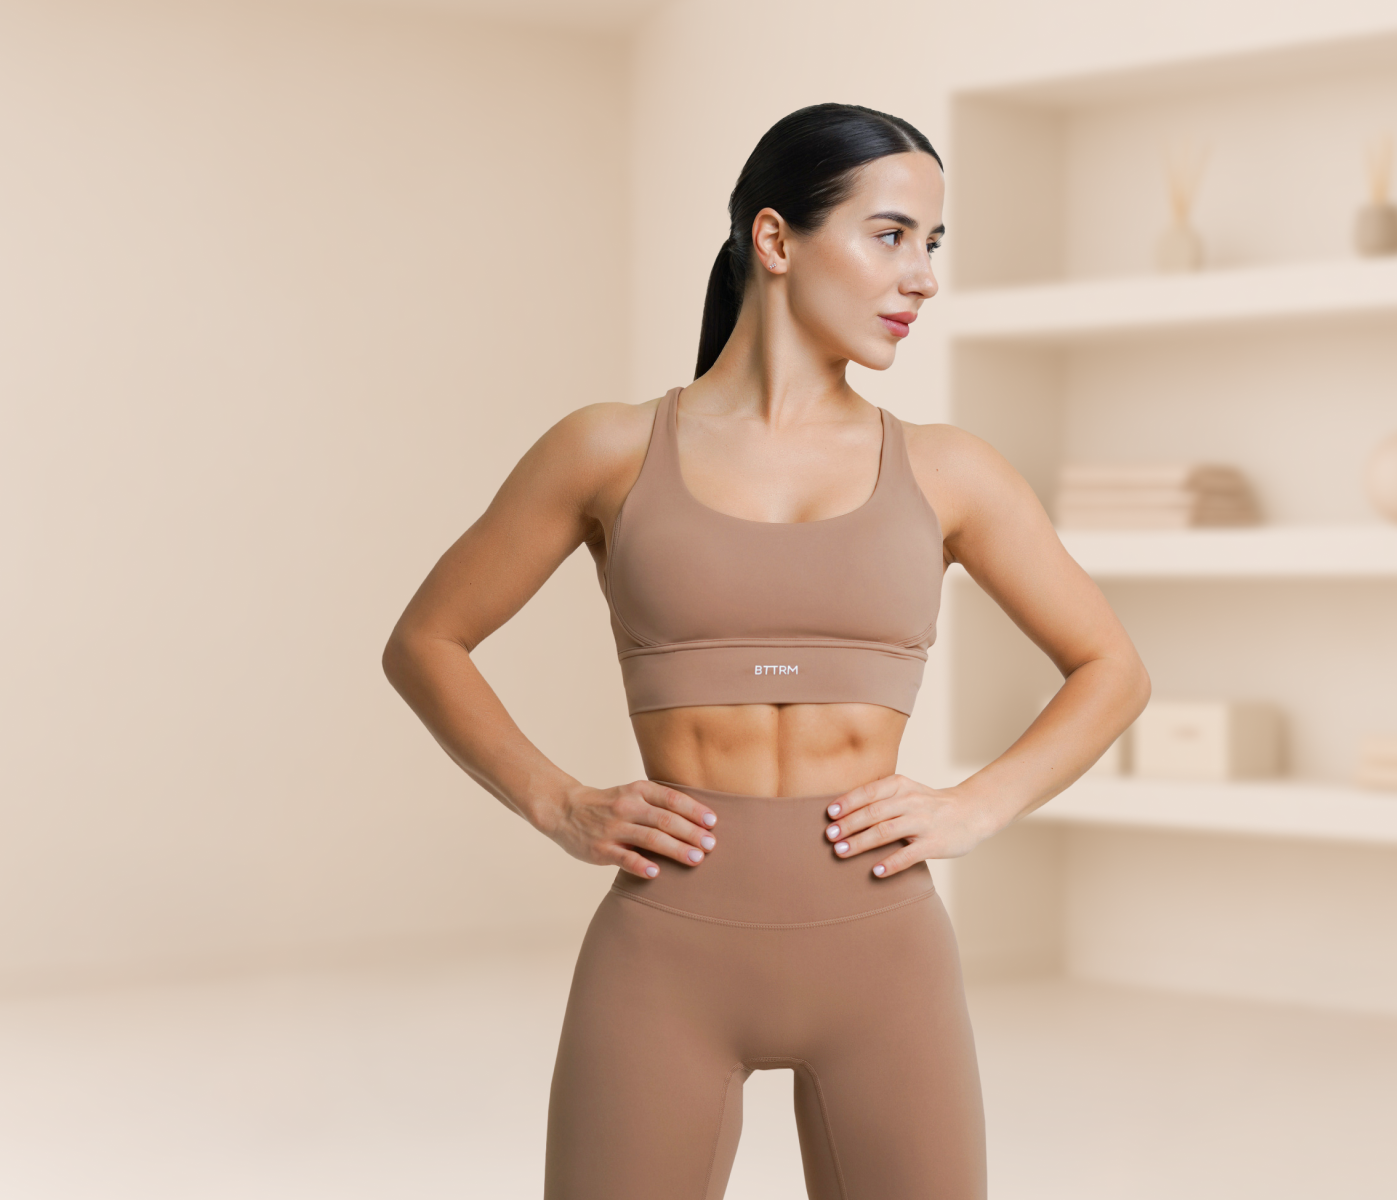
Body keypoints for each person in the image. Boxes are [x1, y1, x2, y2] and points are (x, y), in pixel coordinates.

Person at [382, 101, 1148, 1200]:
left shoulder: (951, 471)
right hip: (665, 954)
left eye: (933, 244)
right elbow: (428, 640)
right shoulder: (606, 449)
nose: (924, 277)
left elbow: (1112, 668)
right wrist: (558, 803)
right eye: (892, 236)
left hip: (884, 953)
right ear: (776, 239)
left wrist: (978, 806)